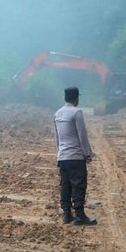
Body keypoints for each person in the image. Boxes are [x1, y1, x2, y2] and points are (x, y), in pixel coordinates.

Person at [54, 86, 97, 226]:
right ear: (77, 98)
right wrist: (88, 154)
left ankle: (67, 214)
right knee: (78, 184)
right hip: (76, 156)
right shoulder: (77, 112)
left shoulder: (57, 114)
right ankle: (79, 215)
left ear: (65, 98)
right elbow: (82, 136)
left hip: (63, 156)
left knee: (65, 184)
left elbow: (57, 138)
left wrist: (60, 153)